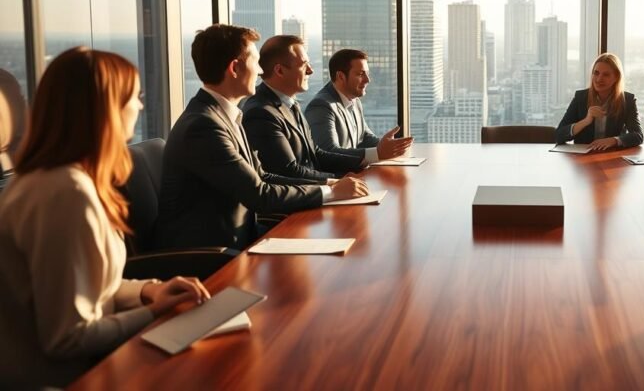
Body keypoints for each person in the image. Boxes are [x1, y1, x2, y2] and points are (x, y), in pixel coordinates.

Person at [0, 47, 210, 389]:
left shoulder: (48, 180)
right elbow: (67, 339)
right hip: (74, 378)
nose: (141, 106)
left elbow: (90, 290)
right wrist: (155, 314)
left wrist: (148, 292)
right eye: (134, 97)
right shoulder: (64, 194)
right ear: (106, 109)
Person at [157, 25, 368, 250]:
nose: (260, 71)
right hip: (209, 257)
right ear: (235, 68)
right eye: (256, 62)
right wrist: (331, 192)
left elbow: (262, 176)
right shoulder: (203, 126)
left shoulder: (224, 116)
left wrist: (330, 184)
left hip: (241, 240)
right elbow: (259, 195)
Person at [242, 35, 363, 182]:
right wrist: (337, 181)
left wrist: (363, 163)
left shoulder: (291, 103)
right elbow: (289, 170)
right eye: (304, 65)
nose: (310, 71)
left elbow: (315, 154)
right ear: (279, 71)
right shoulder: (260, 113)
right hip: (299, 201)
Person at [306, 48, 413, 165]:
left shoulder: (354, 100)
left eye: (367, 74)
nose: (368, 80)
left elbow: (364, 137)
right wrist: (378, 153)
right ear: (341, 76)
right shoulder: (321, 106)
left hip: (352, 174)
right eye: (361, 74)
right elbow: (328, 153)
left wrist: (393, 147)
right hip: (336, 179)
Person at [555, 53, 642, 150]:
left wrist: (614, 140)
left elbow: (638, 135)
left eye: (606, 75)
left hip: (612, 156)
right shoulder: (580, 97)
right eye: (596, 73)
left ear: (616, 77)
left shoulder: (627, 100)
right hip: (583, 157)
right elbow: (559, 135)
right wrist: (586, 121)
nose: (599, 79)